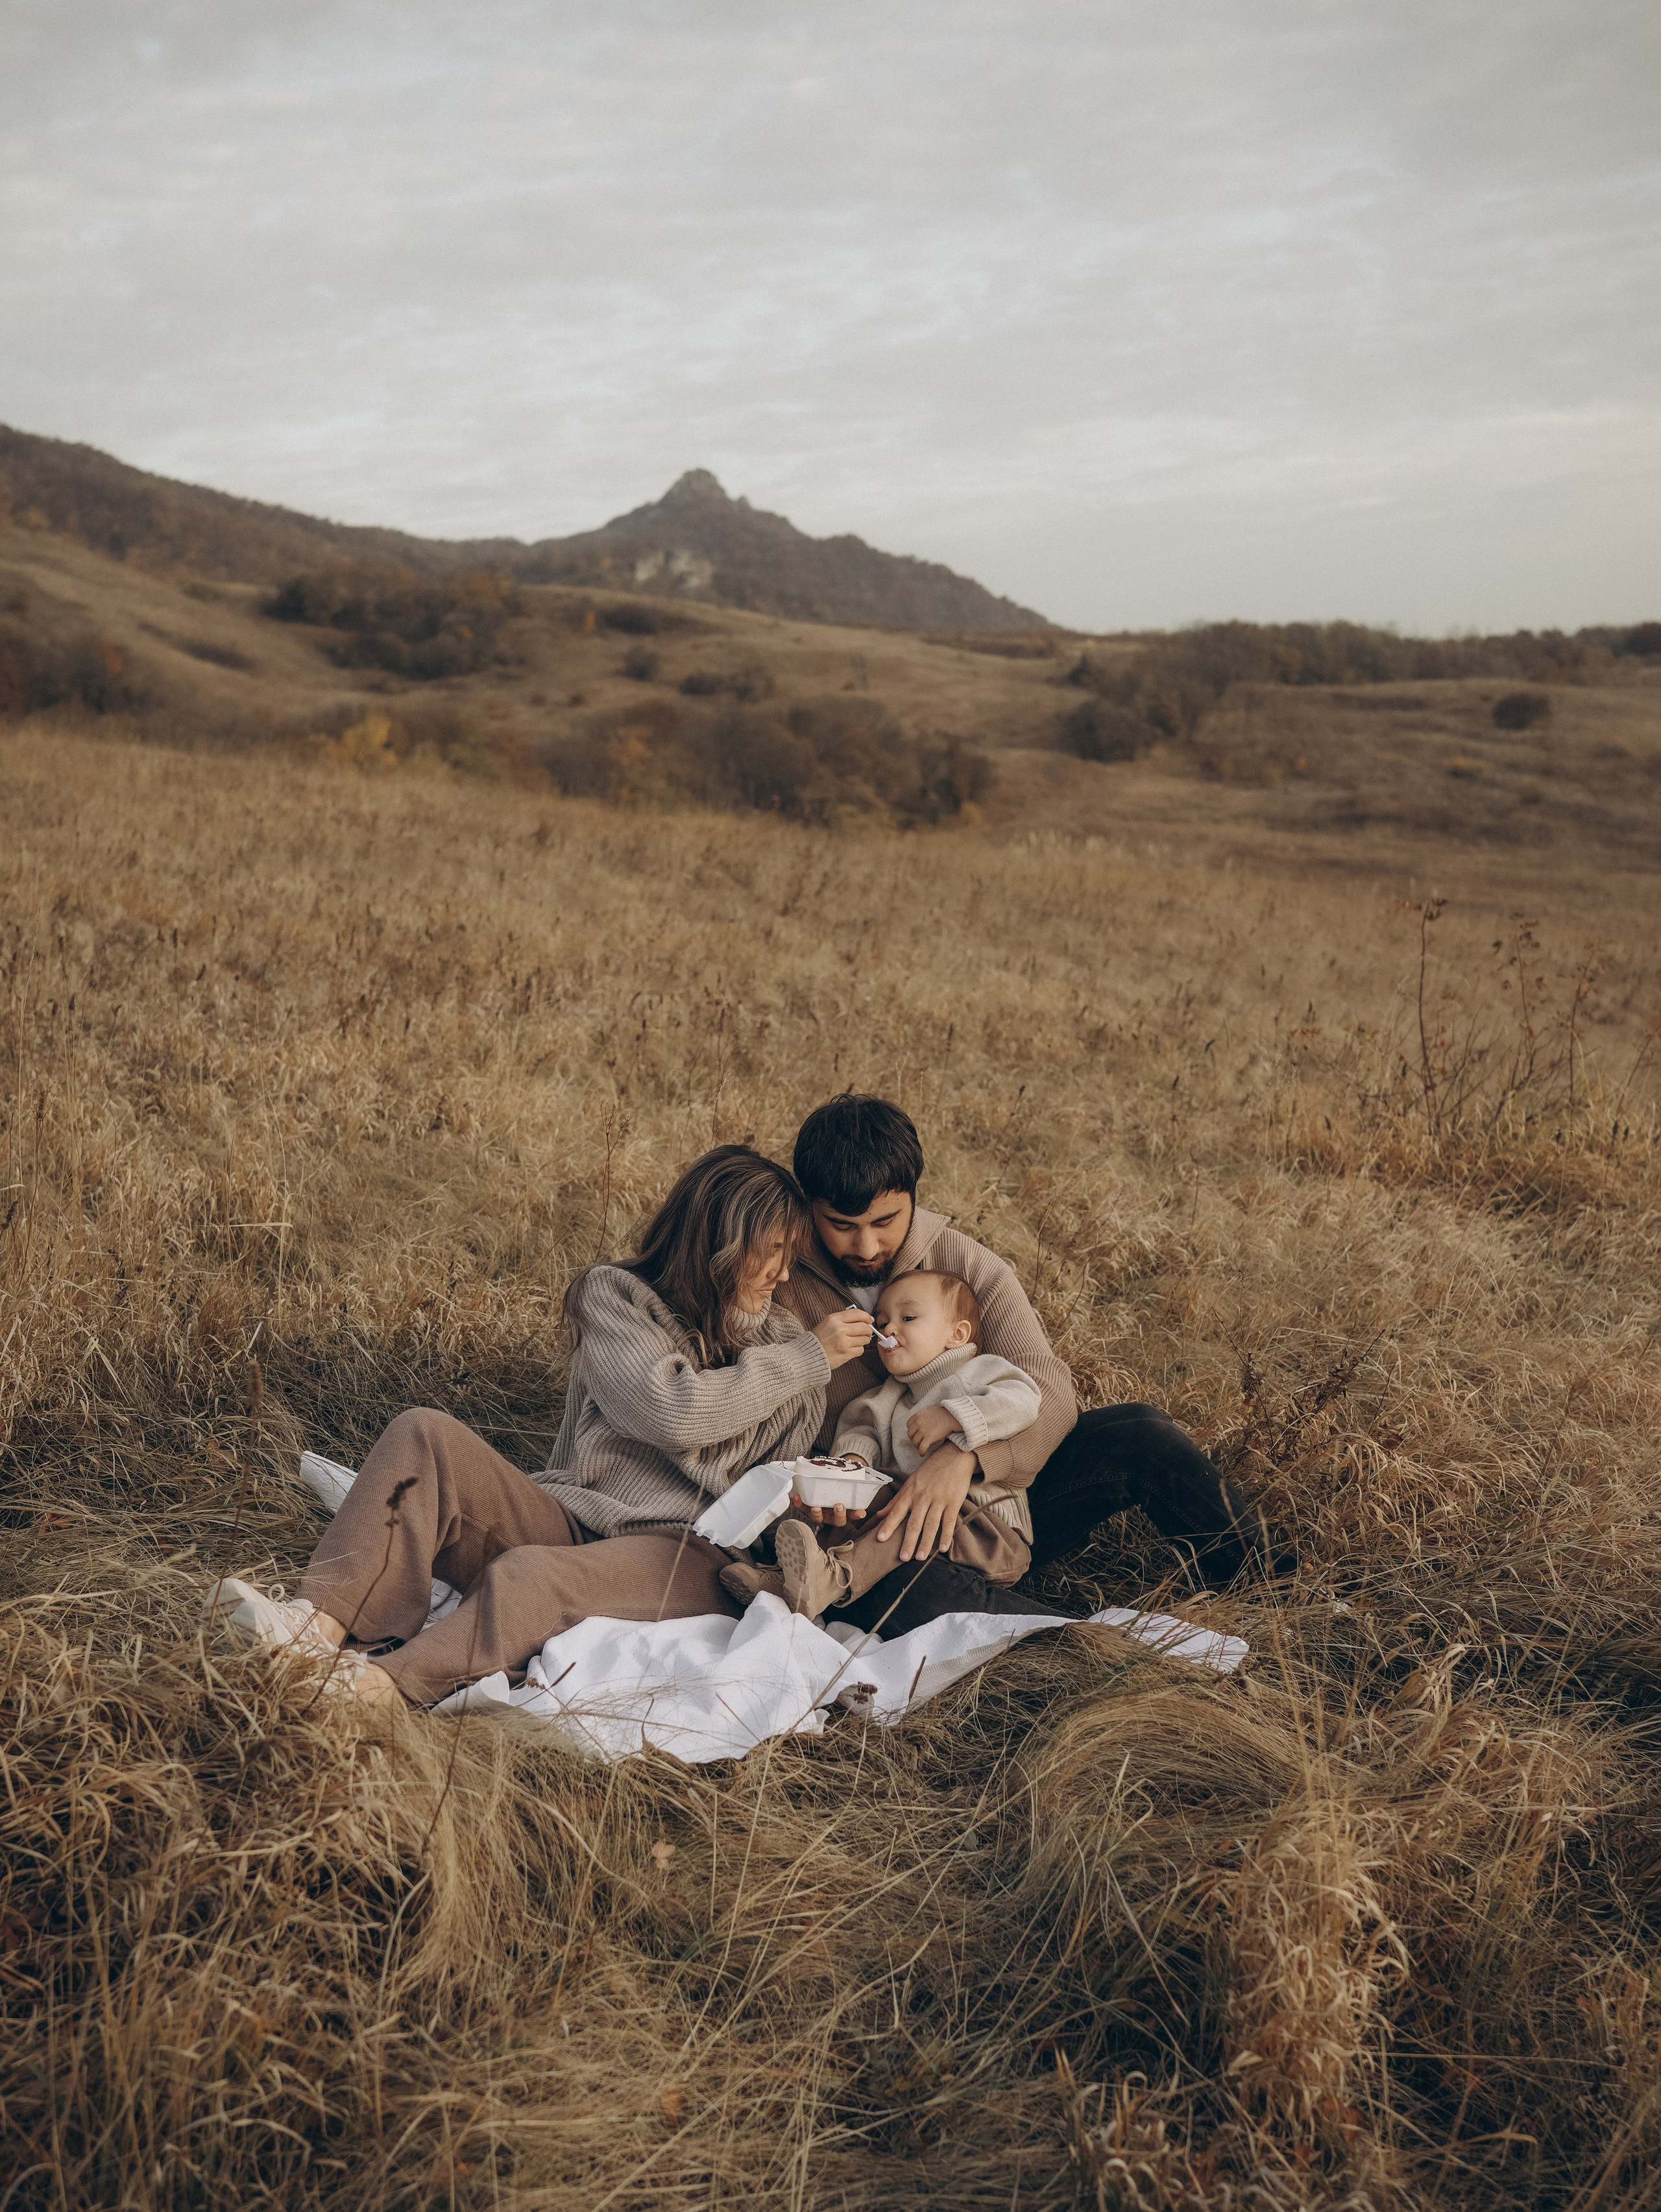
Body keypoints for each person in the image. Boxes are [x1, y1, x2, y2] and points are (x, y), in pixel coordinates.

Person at [205, 1146, 873, 1707]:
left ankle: (376, 1690)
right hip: (575, 1514)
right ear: (721, 1241)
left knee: (531, 1575)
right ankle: (311, 1631)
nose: (785, 1273)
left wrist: (811, 1497)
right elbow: (668, 1409)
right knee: (422, 1432)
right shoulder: (617, 1297)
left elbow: (769, 1483)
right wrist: (806, 1360)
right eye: (773, 1250)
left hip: (690, 1553)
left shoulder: (790, 1347)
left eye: (793, 1253)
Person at [774, 1094, 1260, 1636]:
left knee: (1140, 1432)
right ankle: (1098, 1644)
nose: (866, 1245)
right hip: (884, 1530)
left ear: (913, 1195)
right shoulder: (780, 1281)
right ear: (807, 1207)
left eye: (885, 1221)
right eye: (841, 1225)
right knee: (891, 1592)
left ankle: (1269, 1587)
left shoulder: (964, 1264)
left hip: (1004, 1505)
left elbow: (1048, 1391)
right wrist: (829, 1495)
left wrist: (967, 1456)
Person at [771, 1266, 1042, 1619]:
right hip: (921, 1527)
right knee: (861, 1499)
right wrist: (854, 1463)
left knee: (902, 1502)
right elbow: (861, 1426)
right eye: (882, 1322)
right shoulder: (889, 1396)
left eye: (908, 1317)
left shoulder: (981, 1372)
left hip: (984, 1528)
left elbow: (1024, 1400)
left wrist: (955, 1417)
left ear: (958, 1334)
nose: (889, 1329)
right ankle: (784, 1580)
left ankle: (836, 1578)